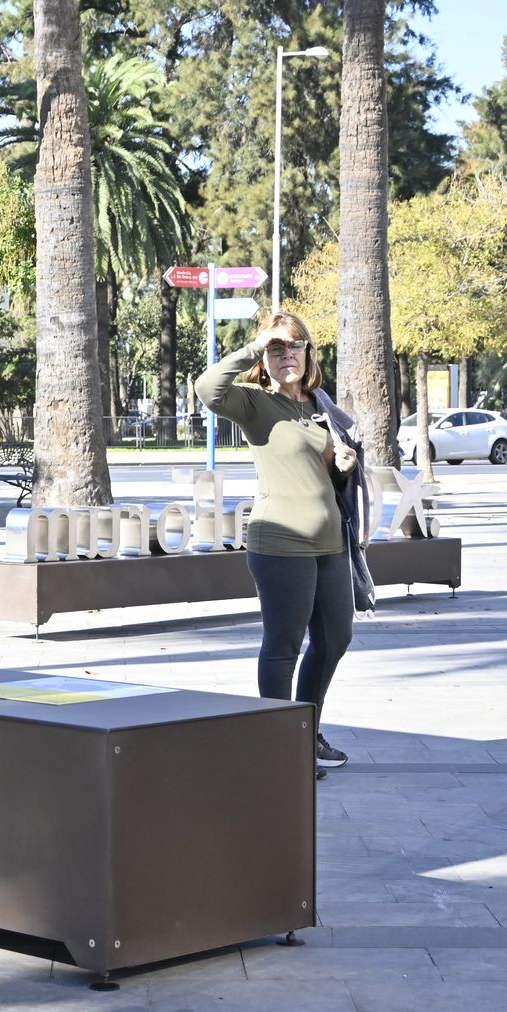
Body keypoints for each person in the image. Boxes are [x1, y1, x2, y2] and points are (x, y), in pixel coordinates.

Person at [195, 311, 373, 779]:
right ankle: (278, 748)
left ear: (309, 352)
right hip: (279, 543)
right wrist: (258, 344)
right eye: (277, 349)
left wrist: (345, 463)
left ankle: (305, 729)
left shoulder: (320, 406)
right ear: (265, 358)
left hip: (331, 543)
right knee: (284, 645)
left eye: (294, 346)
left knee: (336, 637)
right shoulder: (255, 403)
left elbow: (327, 475)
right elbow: (207, 387)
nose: (287, 355)